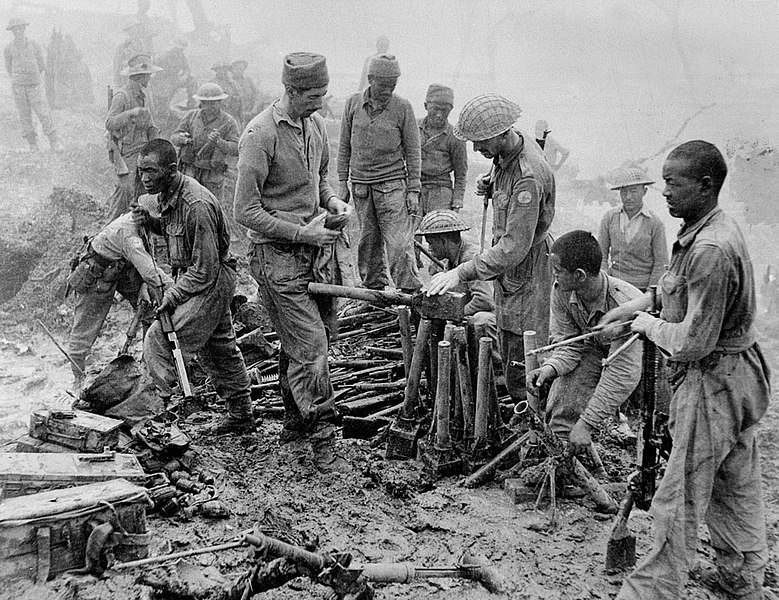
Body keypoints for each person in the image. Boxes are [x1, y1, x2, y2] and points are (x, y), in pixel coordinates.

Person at [599, 141, 771, 600]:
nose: (666, 193)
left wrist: (644, 324)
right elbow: (674, 290)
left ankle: (650, 591)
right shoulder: (704, 227)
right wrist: (635, 305)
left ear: (706, 184)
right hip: (736, 375)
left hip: (713, 379)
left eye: (674, 183)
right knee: (734, 481)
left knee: (679, 495)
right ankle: (741, 576)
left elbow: (693, 341)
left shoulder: (711, 248)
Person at [234, 52, 353, 473]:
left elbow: (320, 179)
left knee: (307, 339)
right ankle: (322, 439)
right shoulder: (259, 134)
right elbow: (245, 211)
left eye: (324, 94)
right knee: (312, 346)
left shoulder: (314, 124)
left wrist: (333, 200)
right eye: (312, 96)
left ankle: (293, 422)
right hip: (275, 258)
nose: (320, 103)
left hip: (312, 255)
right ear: (290, 91)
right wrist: (303, 233)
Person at [428, 94, 555, 406]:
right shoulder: (514, 145)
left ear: (503, 132)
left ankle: (536, 428)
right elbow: (505, 169)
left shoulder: (527, 176)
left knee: (523, 352)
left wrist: (462, 271)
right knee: (509, 340)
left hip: (526, 267)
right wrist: (493, 180)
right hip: (509, 270)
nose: (475, 149)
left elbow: (513, 247)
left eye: (481, 142)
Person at [132, 138, 255, 434]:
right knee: (219, 347)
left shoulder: (195, 204)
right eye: (141, 171)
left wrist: (172, 296)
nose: (144, 179)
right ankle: (242, 416)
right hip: (200, 276)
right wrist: (151, 223)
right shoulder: (169, 194)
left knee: (160, 339)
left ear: (172, 170)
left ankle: (156, 419)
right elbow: (179, 235)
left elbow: (204, 269)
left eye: (151, 171)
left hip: (210, 281)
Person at [526, 230, 642, 447]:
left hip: (644, 364)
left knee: (656, 429)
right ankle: (560, 448)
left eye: (558, 271)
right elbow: (568, 345)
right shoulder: (562, 292)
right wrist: (549, 369)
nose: (554, 276)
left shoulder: (623, 303)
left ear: (579, 275)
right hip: (598, 353)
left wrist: (586, 423)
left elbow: (623, 373)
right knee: (565, 387)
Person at [66, 196, 173, 390]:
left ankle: (148, 364)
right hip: (98, 273)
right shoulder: (129, 234)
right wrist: (176, 288)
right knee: (84, 330)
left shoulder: (143, 228)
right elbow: (151, 272)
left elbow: (149, 260)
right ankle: (78, 379)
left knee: (150, 309)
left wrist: (144, 286)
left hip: (124, 268)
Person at [337, 54, 422, 293]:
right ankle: (374, 290)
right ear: (371, 79)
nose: (388, 89)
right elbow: (344, 146)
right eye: (383, 84)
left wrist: (413, 190)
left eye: (393, 84)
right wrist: (343, 182)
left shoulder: (402, 107)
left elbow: (413, 151)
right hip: (362, 187)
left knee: (398, 243)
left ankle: (409, 292)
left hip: (392, 186)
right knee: (367, 241)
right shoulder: (353, 104)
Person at [416, 210, 498, 354]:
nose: (429, 248)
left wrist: (454, 315)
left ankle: (496, 372)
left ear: (443, 241)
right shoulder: (451, 260)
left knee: (480, 320)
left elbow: (484, 301)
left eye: (431, 243)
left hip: (495, 320)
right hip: (474, 319)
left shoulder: (470, 258)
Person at [105, 53, 162, 222]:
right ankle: (108, 229)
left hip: (143, 151)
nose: (150, 78)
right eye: (148, 75)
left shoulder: (143, 96)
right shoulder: (122, 96)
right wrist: (130, 113)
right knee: (125, 192)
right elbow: (109, 123)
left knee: (146, 193)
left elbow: (150, 123)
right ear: (140, 76)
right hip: (127, 153)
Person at [416, 84, 468, 266]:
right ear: (425, 106)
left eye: (444, 110)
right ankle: (409, 279)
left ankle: (441, 277)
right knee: (411, 234)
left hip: (441, 190)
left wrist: (457, 204)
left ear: (451, 110)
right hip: (416, 188)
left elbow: (461, 173)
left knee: (440, 236)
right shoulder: (414, 128)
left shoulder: (455, 137)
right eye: (435, 109)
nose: (439, 114)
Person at [598, 166, 668, 291]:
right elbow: (601, 255)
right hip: (614, 285)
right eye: (624, 192)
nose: (628, 197)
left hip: (642, 288)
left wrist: (650, 294)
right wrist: (605, 282)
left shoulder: (654, 222)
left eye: (634, 191)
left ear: (644, 191)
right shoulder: (609, 218)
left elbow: (660, 263)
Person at [171, 82, 240, 206]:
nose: (211, 106)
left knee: (212, 207)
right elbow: (174, 137)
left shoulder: (229, 122)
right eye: (206, 102)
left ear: (220, 102)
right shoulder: (191, 116)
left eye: (215, 102)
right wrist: (181, 138)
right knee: (187, 205)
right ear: (201, 102)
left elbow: (236, 149)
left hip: (213, 174)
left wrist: (219, 142)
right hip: (190, 171)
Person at [4, 17, 61, 152]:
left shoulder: (34, 44)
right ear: (12, 31)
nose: (18, 31)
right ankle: (32, 144)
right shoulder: (8, 48)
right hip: (18, 86)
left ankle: (54, 142)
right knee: (24, 115)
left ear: (24, 28)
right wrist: (18, 79)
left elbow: (41, 64)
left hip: (34, 85)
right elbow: (9, 67)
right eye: (15, 29)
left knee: (43, 113)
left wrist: (32, 77)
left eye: (20, 28)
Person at [151, 36, 196, 132]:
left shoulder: (180, 55)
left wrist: (184, 76)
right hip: (161, 81)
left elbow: (187, 68)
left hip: (174, 79)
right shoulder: (162, 56)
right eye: (177, 49)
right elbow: (154, 73)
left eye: (181, 49)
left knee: (192, 78)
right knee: (162, 106)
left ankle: (191, 104)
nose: (179, 51)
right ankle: (162, 123)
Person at [230, 59, 261, 126]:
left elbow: (257, 95)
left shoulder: (248, 81)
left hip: (251, 113)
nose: (239, 71)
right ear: (232, 70)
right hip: (237, 116)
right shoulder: (230, 83)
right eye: (236, 69)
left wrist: (254, 108)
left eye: (241, 69)